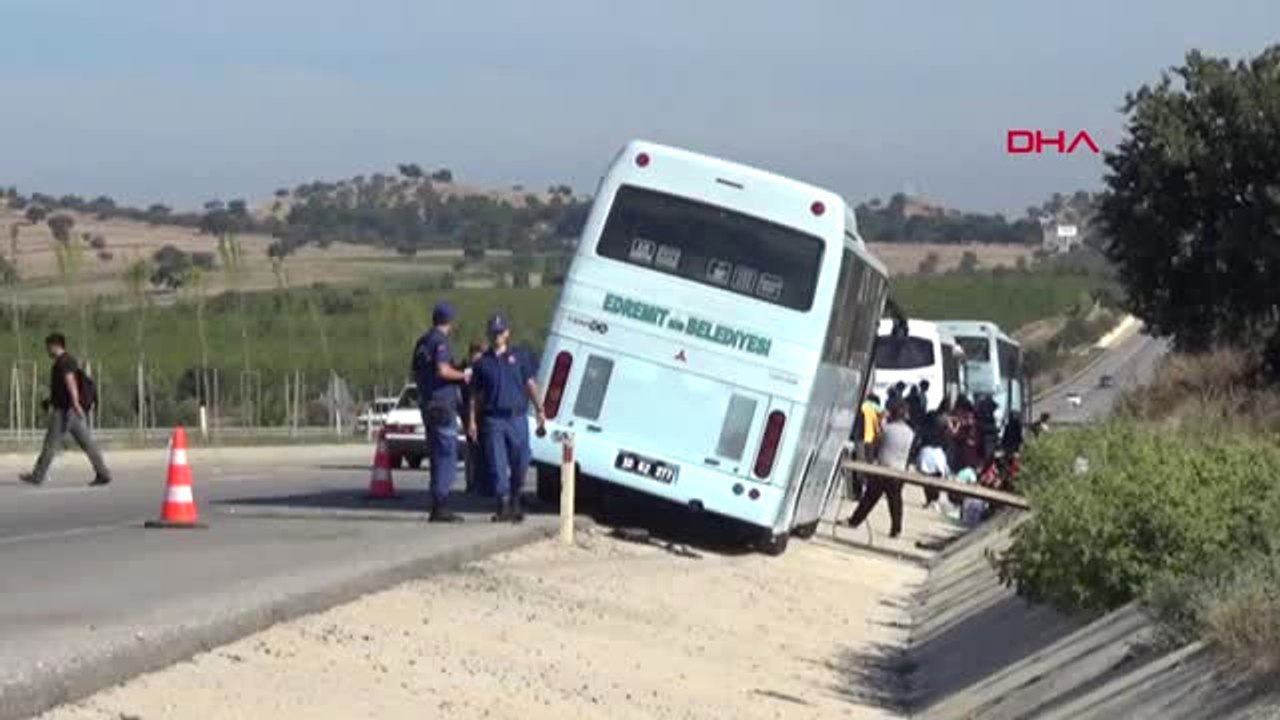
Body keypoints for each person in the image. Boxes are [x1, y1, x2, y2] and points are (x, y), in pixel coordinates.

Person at [469, 314, 547, 523]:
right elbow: (475, 395)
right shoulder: (482, 363)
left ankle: (515, 498)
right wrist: (472, 421)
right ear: (489, 334)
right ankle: (503, 504)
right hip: (494, 420)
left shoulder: (519, 357)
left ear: (507, 334)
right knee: (497, 462)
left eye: (500, 332)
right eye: (493, 333)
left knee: (522, 460)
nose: (497, 336)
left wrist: (540, 409)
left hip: (517, 417)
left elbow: (530, 384)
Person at [20, 333, 113, 487]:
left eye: (48, 347)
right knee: (88, 444)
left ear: (54, 346)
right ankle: (103, 473)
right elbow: (64, 387)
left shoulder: (64, 362)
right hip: (71, 411)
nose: (47, 350)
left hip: (65, 411)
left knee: (50, 444)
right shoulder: (67, 361)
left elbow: (70, 383)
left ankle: (37, 476)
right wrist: (51, 401)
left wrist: (76, 404)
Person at [411, 302, 471, 523]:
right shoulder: (440, 342)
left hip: (427, 403)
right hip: (442, 404)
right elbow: (443, 370)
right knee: (447, 455)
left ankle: (437, 503)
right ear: (450, 322)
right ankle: (441, 505)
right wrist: (463, 375)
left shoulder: (422, 342)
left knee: (436, 455)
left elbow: (416, 372)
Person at [846, 397, 915, 538]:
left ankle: (854, 521)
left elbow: (875, 443)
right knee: (895, 502)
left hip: (883, 468)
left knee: (870, 498)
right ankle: (896, 530)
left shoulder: (887, 429)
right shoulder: (910, 433)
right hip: (899, 471)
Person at [460, 341, 489, 496]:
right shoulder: (466, 372)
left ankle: (481, 482)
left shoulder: (483, 369)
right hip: (470, 413)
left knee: (482, 450)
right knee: (472, 450)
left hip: (484, 414)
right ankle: (472, 482)